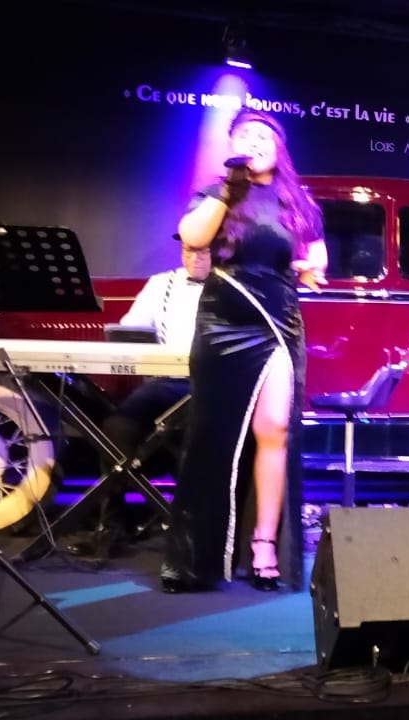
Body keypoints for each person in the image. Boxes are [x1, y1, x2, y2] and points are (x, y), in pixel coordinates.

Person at [159, 108, 327, 593]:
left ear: (279, 146)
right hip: (223, 323)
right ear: (232, 146)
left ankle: (264, 545)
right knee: (213, 435)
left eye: (263, 135)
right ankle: (198, 558)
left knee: (274, 428)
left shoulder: (298, 201)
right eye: (245, 135)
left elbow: (317, 259)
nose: (254, 141)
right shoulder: (217, 193)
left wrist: (308, 269)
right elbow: (194, 239)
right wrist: (228, 191)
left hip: (277, 321)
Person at [64, 241, 207, 560]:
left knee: (194, 431)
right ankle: (112, 526)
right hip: (166, 382)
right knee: (117, 427)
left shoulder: (229, 287)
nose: (194, 257)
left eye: (203, 250)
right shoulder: (162, 283)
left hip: (211, 386)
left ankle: (192, 527)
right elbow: (130, 331)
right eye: (188, 249)